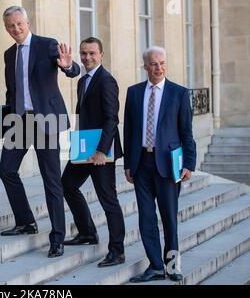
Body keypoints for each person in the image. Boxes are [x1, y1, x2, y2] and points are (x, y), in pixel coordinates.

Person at [0, 6, 80, 258]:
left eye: (20, 24)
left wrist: (68, 67)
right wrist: (6, 122)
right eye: (11, 26)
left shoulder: (47, 45)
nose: (16, 29)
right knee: (6, 169)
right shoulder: (8, 54)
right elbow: (12, 91)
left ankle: (57, 237)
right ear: (6, 28)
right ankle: (26, 222)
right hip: (20, 121)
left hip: (46, 120)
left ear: (28, 22)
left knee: (51, 180)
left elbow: (72, 69)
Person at [124, 46, 196, 283]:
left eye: (162, 63)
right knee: (146, 217)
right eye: (154, 64)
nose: (159, 68)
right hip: (141, 163)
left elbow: (187, 131)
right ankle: (155, 266)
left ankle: (173, 265)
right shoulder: (133, 93)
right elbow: (129, 130)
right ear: (145, 66)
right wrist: (128, 163)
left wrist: (189, 163)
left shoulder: (179, 93)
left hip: (168, 165)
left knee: (169, 218)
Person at [61, 37, 126, 267]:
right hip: (84, 148)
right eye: (83, 53)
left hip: (101, 152)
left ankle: (117, 251)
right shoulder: (83, 81)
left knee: (108, 200)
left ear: (101, 55)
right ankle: (88, 232)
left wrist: (101, 151)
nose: (87, 57)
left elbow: (111, 119)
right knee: (67, 185)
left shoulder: (107, 81)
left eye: (91, 53)